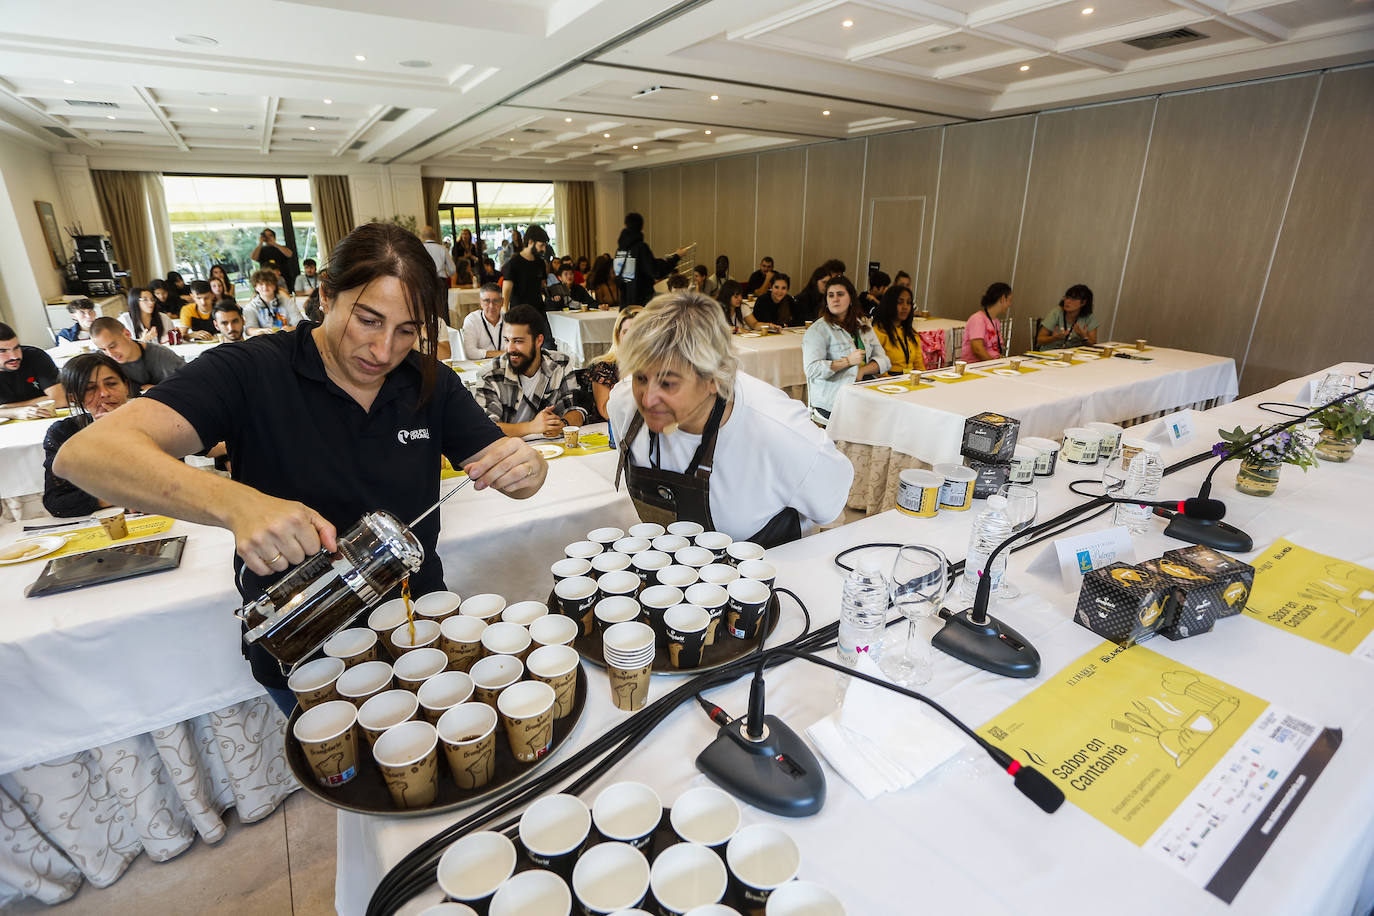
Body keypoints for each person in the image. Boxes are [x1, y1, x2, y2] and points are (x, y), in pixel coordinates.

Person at [54, 222, 548, 711]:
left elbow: (507, 470)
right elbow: (86, 455)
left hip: (415, 625)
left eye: (407, 331)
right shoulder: (251, 370)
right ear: (326, 295)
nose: (383, 351)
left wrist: (527, 469)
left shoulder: (428, 381)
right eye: (369, 321)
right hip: (301, 639)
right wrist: (235, 503)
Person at [610, 292, 852, 546]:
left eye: (668, 383)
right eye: (640, 378)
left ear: (714, 379)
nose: (647, 400)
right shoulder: (623, 404)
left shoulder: (778, 432)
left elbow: (831, 506)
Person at [42, 354, 134, 517]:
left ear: (125, 386)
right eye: (90, 389)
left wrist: (123, 431)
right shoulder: (64, 433)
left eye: (111, 384)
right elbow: (56, 502)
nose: (104, 393)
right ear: (74, 398)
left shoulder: (152, 421)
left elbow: (169, 483)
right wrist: (117, 498)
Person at [473, 305, 585, 438]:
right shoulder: (490, 374)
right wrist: (532, 427)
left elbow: (576, 410)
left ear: (539, 340)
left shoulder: (560, 364)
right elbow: (484, 429)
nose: (510, 349)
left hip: (552, 447)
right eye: (507, 340)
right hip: (507, 449)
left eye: (518, 341)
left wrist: (563, 425)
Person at [803, 276, 888, 423]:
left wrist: (861, 371)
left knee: (891, 415)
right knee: (873, 422)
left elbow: (883, 360)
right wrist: (847, 361)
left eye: (840, 294)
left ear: (851, 299)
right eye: (831, 295)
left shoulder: (863, 325)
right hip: (832, 399)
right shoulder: (818, 330)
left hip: (863, 389)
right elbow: (812, 369)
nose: (835, 299)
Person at [89, 317, 187, 390]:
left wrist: (161, 391)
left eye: (112, 346)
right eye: (103, 349)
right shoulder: (101, 361)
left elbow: (191, 385)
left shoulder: (163, 356)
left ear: (127, 334)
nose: (110, 354)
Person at [614, 212, 690, 306]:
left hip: (625, 303)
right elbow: (656, 271)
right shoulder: (641, 248)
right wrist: (676, 257)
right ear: (641, 228)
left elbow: (619, 278)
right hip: (642, 302)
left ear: (625, 225)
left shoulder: (620, 250)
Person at [586, 306, 641, 422]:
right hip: (609, 433)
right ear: (618, 336)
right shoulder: (603, 368)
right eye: (626, 332)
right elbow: (607, 413)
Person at [0, 322, 65, 419]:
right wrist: (14, 412)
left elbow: (61, 399)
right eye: (3, 351)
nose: (14, 356)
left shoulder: (35, 356)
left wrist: (6, 408)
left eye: (16, 348)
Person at [872, 285, 924, 376]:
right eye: (900, 302)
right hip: (888, 382)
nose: (905, 307)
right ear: (889, 304)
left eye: (908, 303)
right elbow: (877, 368)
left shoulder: (912, 333)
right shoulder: (879, 331)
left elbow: (919, 365)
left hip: (910, 380)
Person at [1037, 283, 1099, 350]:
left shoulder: (1089, 317)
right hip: (1051, 353)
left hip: (1074, 355)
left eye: (1073, 299)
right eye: (1067, 297)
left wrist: (1084, 336)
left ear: (1083, 302)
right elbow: (1040, 340)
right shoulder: (1057, 312)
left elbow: (1093, 345)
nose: (1068, 301)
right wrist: (1055, 337)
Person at [962, 282, 1011, 362]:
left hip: (989, 363)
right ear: (1002, 299)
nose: (1009, 305)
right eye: (1009, 300)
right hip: (977, 366)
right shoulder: (978, 319)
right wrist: (994, 364)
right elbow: (977, 349)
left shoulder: (996, 322)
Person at [793, 259, 845, 326]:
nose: (827, 286)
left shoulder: (828, 297)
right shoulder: (803, 299)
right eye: (824, 282)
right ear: (815, 281)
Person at [461, 283, 505, 360]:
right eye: (487, 301)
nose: (491, 306)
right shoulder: (472, 320)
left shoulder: (510, 320)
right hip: (478, 367)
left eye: (495, 301)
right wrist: (501, 353)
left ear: (502, 302)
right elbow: (469, 352)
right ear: (481, 302)